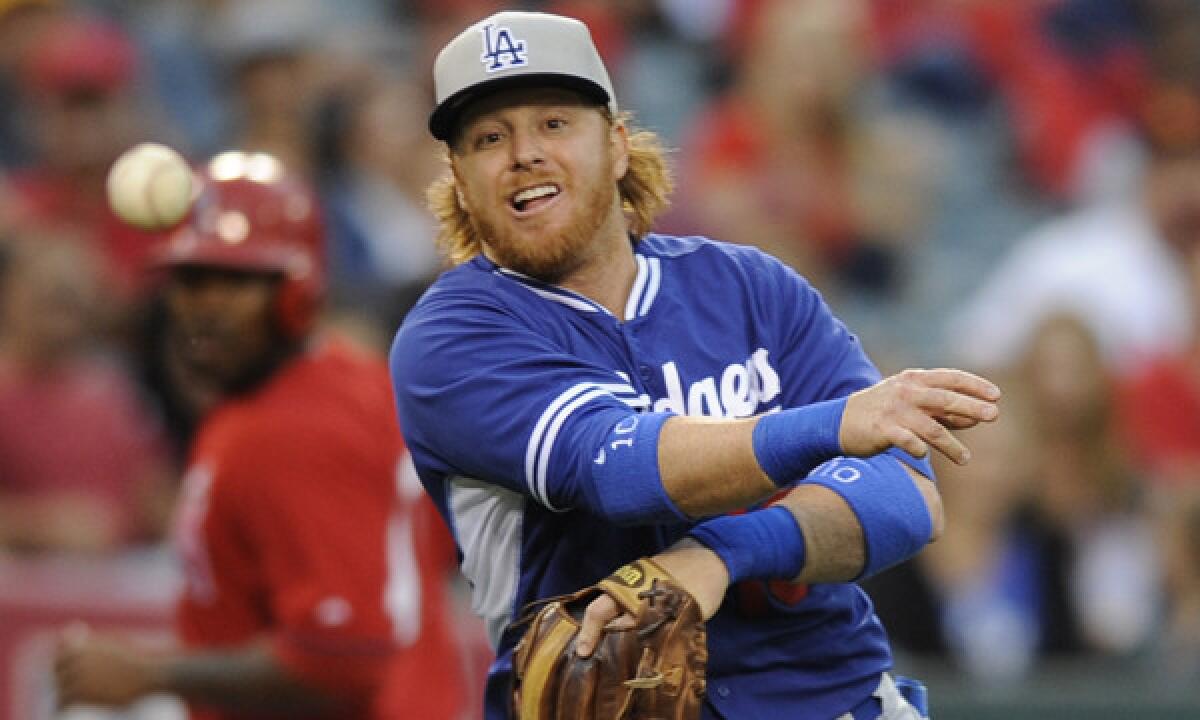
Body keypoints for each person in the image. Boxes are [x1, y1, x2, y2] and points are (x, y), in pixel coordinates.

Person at [390, 11, 1001, 720]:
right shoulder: (453, 337)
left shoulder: (751, 287)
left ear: (617, 145)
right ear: (461, 181)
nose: (524, 153)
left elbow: (906, 500)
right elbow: (618, 470)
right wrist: (831, 427)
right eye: (489, 138)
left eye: (555, 124)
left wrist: (724, 553)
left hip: (838, 698)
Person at [54, 151, 470, 719]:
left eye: (233, 282)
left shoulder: (290, 428)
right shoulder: (351, 381)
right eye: (191, 280)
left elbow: (343, 655)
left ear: (296, 293)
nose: (205, 308)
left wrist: (150, 672)